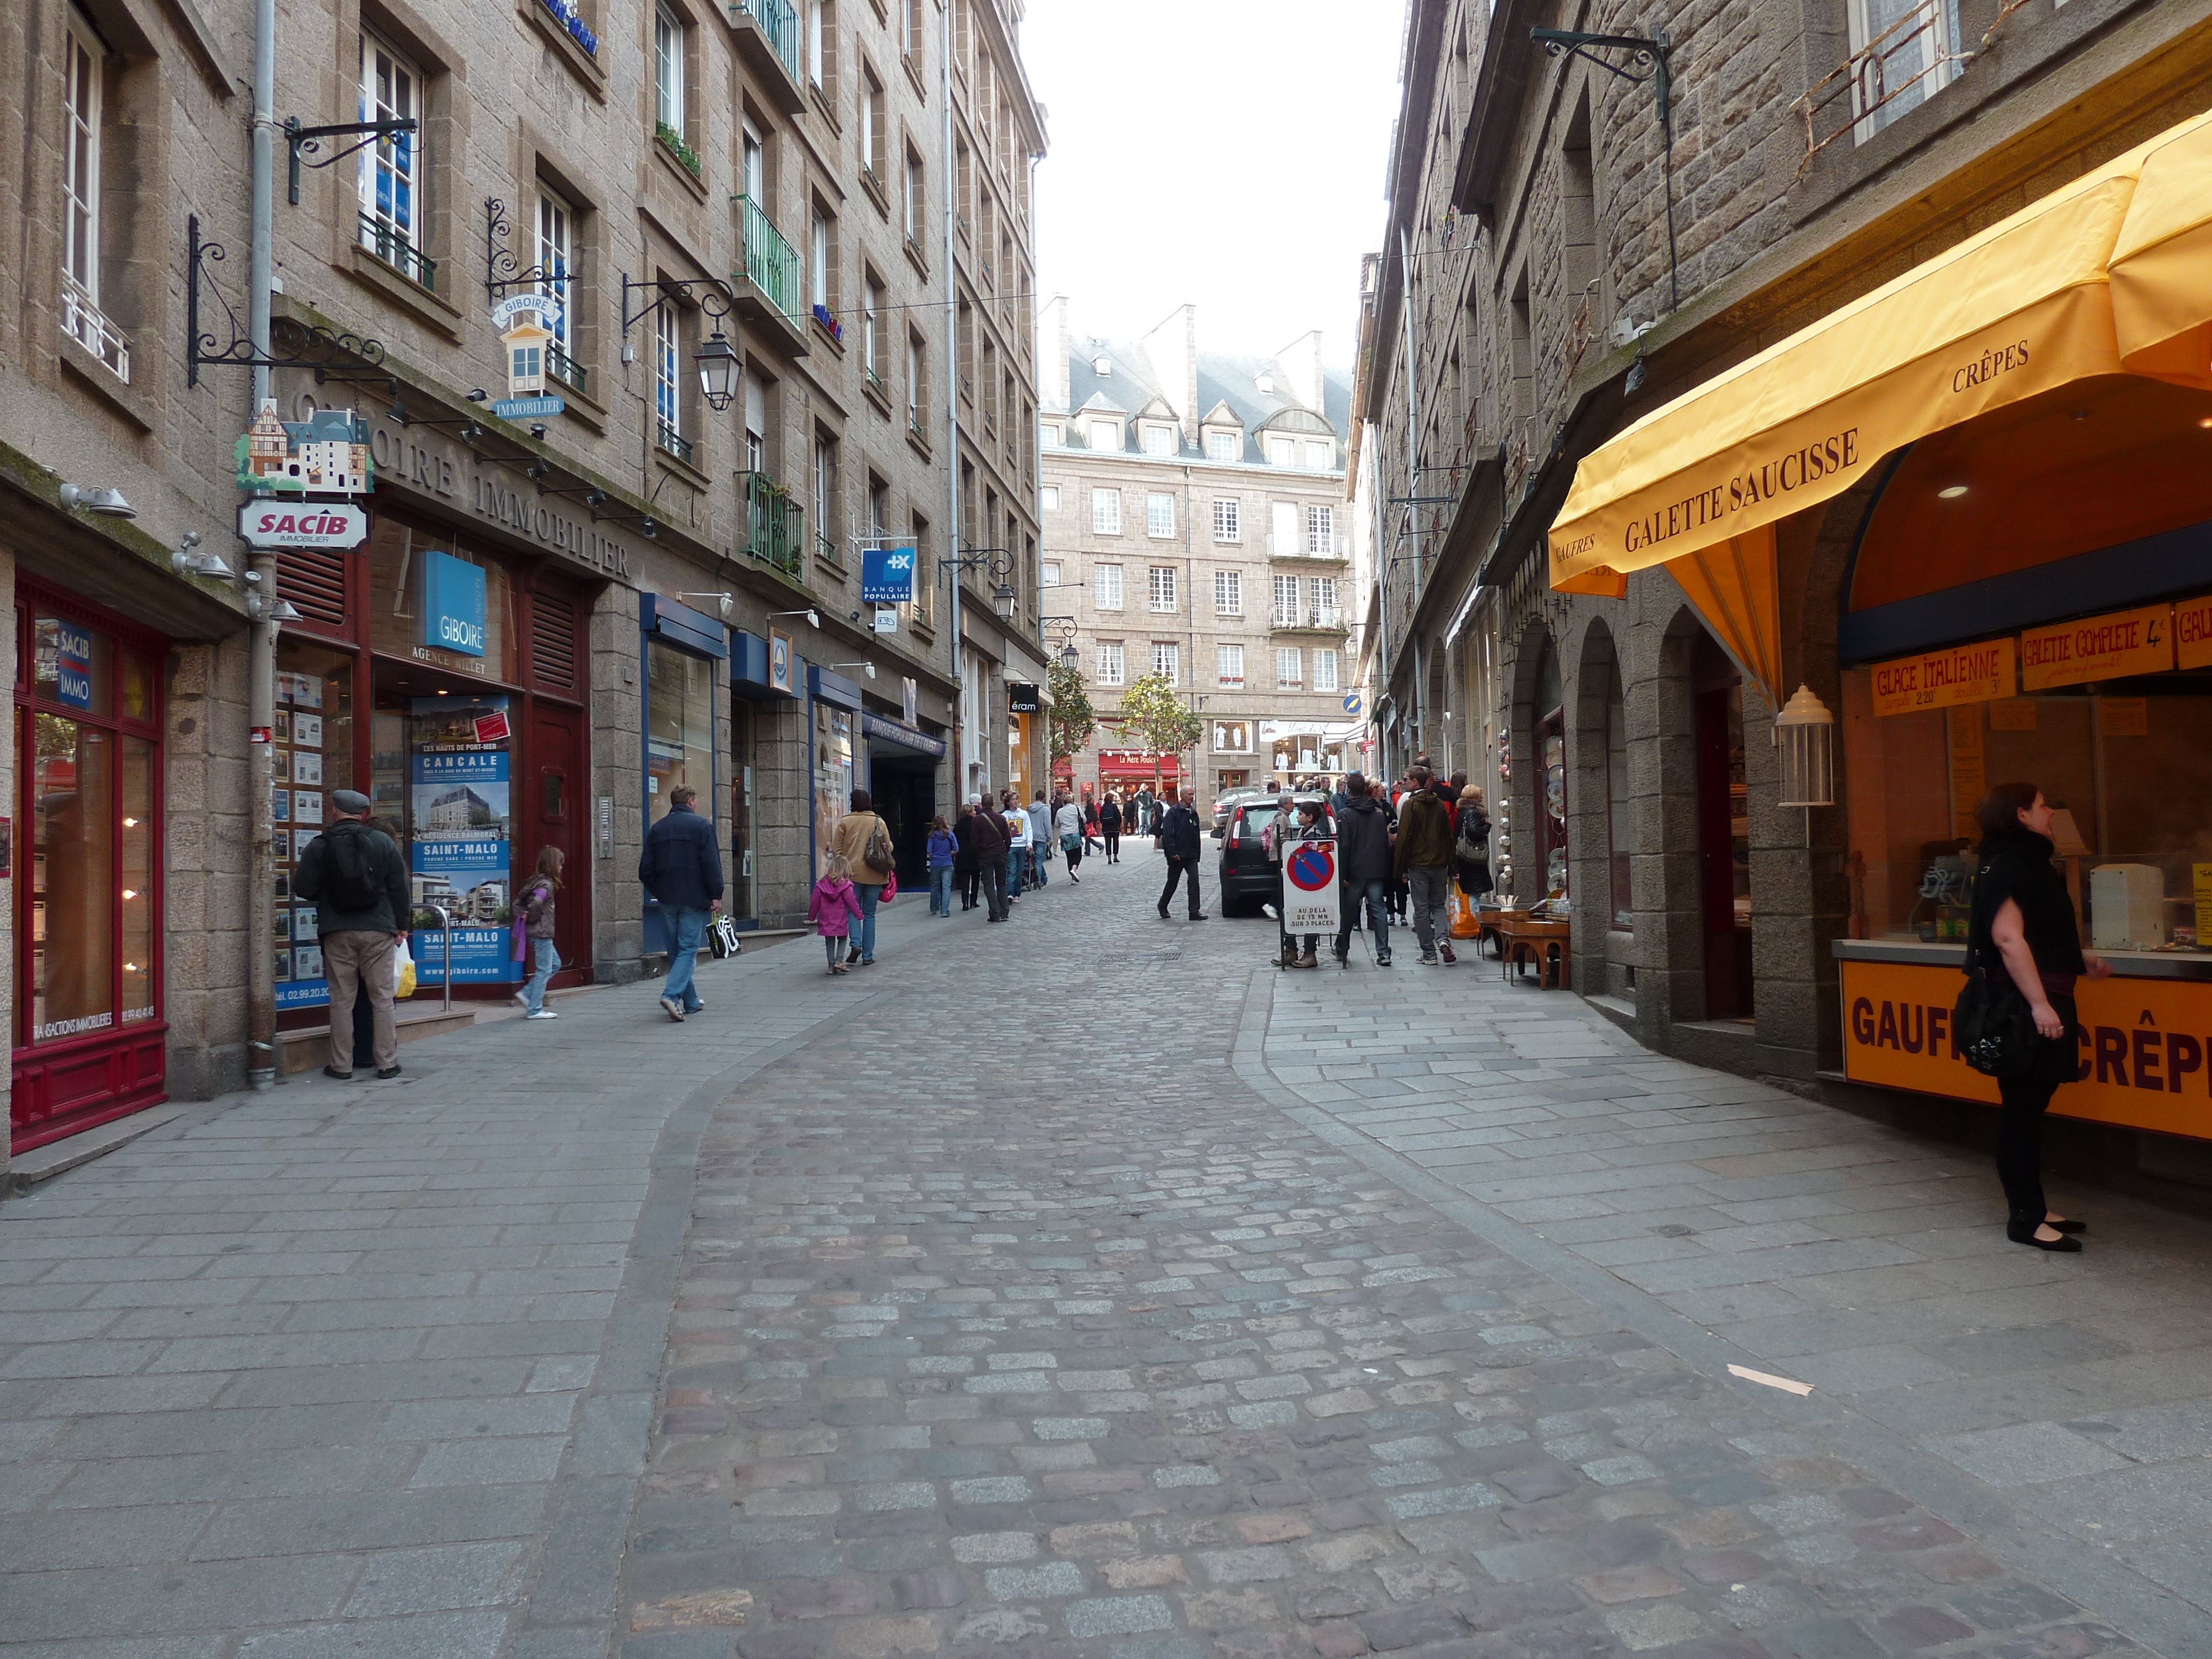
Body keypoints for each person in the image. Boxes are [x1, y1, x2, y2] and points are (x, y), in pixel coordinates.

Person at [1969, 781, 2109, 1252]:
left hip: (2042, 990)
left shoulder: (2023, 860)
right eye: (2044, 806)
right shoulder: (2010, 862)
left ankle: (2034, 1205)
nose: (2052, 812)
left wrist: (2077, 959)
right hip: (2025, 1002)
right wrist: (2039, 1005)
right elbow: (2008, 938)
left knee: (2030, 1107)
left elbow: (2037, 932)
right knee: (2023, 1110)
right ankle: (2025, 1219)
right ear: (2021, 815)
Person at [294, 787, 411, 1078]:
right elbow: (399, 886)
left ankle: (341, 1065)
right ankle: (387, 1063)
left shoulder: (320, 845)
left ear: (335, 811)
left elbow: (303, 888)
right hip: (378, 929)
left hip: (337, 929)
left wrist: (330, 892)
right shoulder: (383, 841)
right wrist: (402, 924)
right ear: (364, 814)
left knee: (342, 1000)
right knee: (382, 998)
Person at [638, 782, 723, 1021]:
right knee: (688, 950)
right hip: (694, 899)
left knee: (677, 951)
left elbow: (645, 869)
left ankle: (692, 1002)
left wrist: (659, 889)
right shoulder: (701, 826)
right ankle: (671, 995)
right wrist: (716, 894)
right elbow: (711, 864)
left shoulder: (658, 828)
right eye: (695, 801)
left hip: (667, 899)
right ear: (690, 802)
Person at [1395, 768, 1458, 966]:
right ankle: (1443, 940)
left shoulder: (1411, 805)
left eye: (1406, 780)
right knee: (1439, 905)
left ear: (1415, 782)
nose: (1404, 783)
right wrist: (1453, 866)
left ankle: (1429, 953)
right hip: (1440, 863)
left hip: (1418, 865)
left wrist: (1399, 869)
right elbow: (1448, 836)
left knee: (1421, 909)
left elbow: (1404, 838)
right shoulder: (1438, 805)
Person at [1333, 773, 1396, 966]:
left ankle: (1342, 948)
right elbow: (1384, 843)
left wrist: (1342, 873)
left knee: (1350, 911)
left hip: (1355, 870)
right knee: (1378, 909)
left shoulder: (1345, 814)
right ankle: (1384, 953)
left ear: (1349, 791)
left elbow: (1344, 846)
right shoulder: (1377, 813)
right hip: (1375, 868)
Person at [829, 787, 894, 966]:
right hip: (875, 874)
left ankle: (855, 944)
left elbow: (837, 850)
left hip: (851, 875)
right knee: (870, 914)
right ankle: (868, 955)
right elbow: (888, 847)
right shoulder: (878, 821)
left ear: (852, 803)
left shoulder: (845, 822)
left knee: (851, 911)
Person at [515, 846, 564, 1019]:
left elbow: (520, 902)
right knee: (544, 969)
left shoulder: (535, 881)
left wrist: (527, 915)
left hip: (535, 932)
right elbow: (536, 903)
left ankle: (528, 993)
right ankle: (535, 1009)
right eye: (560, 863)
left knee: (555, 964)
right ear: (552, 864)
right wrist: (532, 917)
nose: (561, 867)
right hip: (542, 932)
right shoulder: (546, 885)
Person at [1284, 799, 1329, 969]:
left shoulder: (1314, 837)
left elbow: (1314, 862)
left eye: (1301, 814)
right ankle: (1291, 950)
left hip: (1310, 883)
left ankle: (1310, 952)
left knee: (1310, 916)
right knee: (1288, 913)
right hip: (1300, 883)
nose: (1297, 816)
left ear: (1310, 817)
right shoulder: (1303, 832)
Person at [1155, 785, 1207, 920]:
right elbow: (1168, 833)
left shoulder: (1193, 813)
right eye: (1189, 794)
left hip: (1191, 854)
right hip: (1177, 855)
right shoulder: (1173, 813)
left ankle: (1194, 911)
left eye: (1193, 794)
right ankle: (1163, 904)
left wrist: (1197, 853)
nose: (1192, 797)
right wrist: (1172, 852)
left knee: (1194, 880)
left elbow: (1196, 834)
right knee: (1173, 882)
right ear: (1182, 795)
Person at [810, 852, 865, 974]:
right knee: (843, 938)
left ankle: (831, 966)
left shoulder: (821, 884)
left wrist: (812, 916)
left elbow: (815, 901)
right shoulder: (846, 886)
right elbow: (852, 902)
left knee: (829, 940)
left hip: (826, 918)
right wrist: (859, 914)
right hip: (840, 918)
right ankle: (839, 961)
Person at [970, 793, 1011, 921]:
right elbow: (1008, 839)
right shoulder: (1001, 818)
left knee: (989, 885)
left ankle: (995, 913)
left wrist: (979, 854)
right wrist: (1005, 851)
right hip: (1000, 853)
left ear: (981, 804)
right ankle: (1004, 912)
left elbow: (974, 841)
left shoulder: (977, 820)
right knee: (1002, 883)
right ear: (993, 804)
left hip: (986, 855)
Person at [1455, 785, 1495, 904]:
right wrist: (1487, 826)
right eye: (1480, 797)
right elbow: (1474, 832)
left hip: (1463, 859)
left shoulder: (1462, 812)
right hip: (1473, 859)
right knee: (1474, 894)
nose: (1482, 800)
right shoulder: (1474, 812)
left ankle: (1467, 919)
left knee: (1467, 893)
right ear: (1475, 798)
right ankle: (1473, 920)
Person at [1002, 790, 1031, 901]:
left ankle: (1017, 894)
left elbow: (1028, 828)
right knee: (1012, 870)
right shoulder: (1004, 816)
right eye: (1013, 799)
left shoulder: (1023, 814)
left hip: (1022, 845)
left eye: (1016, 799)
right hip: (1011, 846)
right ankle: (1010, 893)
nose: (1015, 801)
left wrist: (1029, 843)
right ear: (1008, 802)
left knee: (1020, 872)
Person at [926, 814, 958, 916]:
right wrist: (949, 854)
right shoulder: (950, 835)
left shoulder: (932, 836)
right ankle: (945, 911)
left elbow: (929, 852)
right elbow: (956, 849)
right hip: (947, 863)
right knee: (946, 887)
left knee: (935, 886)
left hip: (935, 863)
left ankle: (934, 907)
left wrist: (934, 857)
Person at [953, 800, 982, 910]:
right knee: (975, 879)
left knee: (965, 880)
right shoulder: (975, 824)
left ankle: (965, 902)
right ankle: (973, 901)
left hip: (962, 855)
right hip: (974, 854)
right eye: (974, 811)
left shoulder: (958, 826)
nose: (975, 812)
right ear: (969, 813)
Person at [1055, 792, 1086, 883]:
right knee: (1078, 855)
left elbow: (1057, 824)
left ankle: (1072, 876)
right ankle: (1074, 869)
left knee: (1069, 856)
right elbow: (1084, 819)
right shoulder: (1076, 808)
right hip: (1075, 833)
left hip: (1064, 835)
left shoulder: (1060, 811)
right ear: (1072, 801)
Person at [1027, 790, 1053, 888]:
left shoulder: (1029, 809)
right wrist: (1049, 837)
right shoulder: (1045, 810)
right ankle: (1037, 880)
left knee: (1034, 860)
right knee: (1039, 860)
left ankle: (1043, 878)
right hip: (1041, 837)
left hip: (1031, 837)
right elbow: (1047, 824)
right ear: (1043, 798)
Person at [1099, 793, 1123, 863]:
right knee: (1116, 841)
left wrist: (1103, 823)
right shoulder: (1114, 806)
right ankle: (1115, 856)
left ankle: (1109, 858)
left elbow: (1101, 817)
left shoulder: (1103, 807)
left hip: (1106, 827)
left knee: (1108, 842)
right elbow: (1118, 816)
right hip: (1114, 826)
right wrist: (1120, 823)